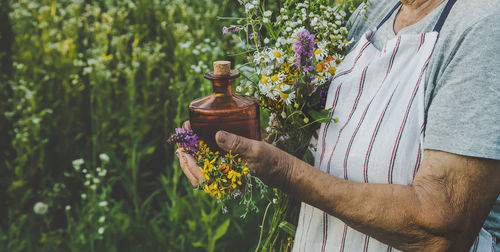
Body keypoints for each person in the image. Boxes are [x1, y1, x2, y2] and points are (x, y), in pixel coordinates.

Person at [176, 0, 500, 250]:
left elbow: (440, 227)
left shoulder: (483, 27)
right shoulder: (377, 11)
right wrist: (243, 143)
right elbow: (334, 136)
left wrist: (285, 171)